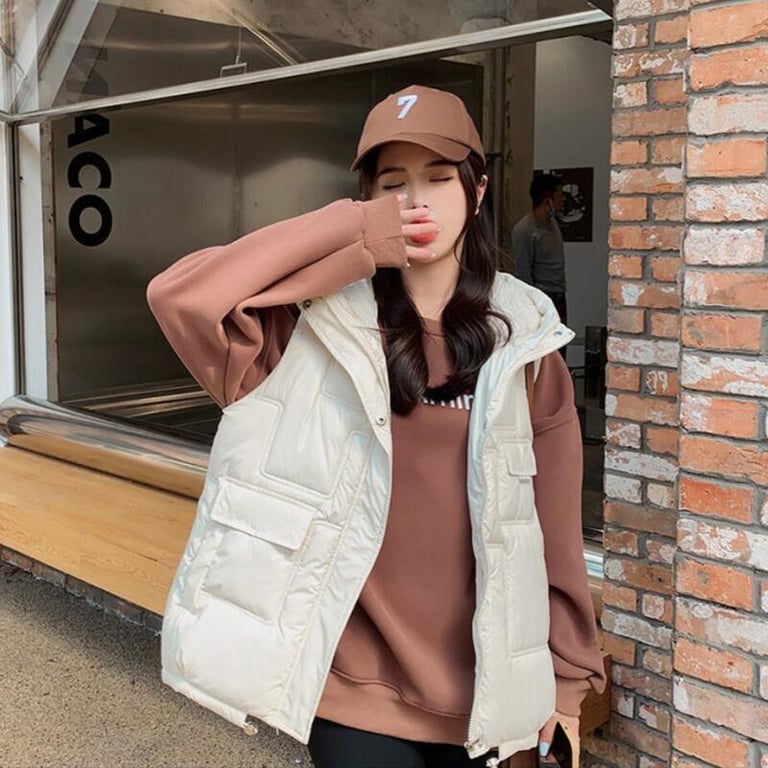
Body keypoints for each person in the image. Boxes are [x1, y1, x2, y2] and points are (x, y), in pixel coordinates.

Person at [147, 85, 605, 768]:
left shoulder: (527, 348)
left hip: (489, 696)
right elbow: (181, 297)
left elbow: (554, 532)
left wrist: (566, 682)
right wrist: (359, 235)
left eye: (439, 178)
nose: (416, 201)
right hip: (352, 693)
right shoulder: (307, 336)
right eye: (394, 184)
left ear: (477, 192)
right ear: (367, 199)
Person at [512, 173, 568, 325]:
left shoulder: (553, 223)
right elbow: (523, 272)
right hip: (541, 299)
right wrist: (533, 306)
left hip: (559, 294)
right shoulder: (524, 230)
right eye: (559, 195)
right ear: (547, 200)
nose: (563, 199)